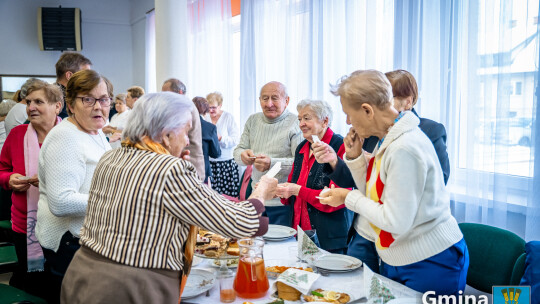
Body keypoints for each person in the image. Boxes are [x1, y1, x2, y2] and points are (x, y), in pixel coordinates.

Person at [61, 92, 276, 303]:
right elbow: (240, 222)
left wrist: (170, 159)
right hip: (132, 286)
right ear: (166, 135)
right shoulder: (169, 169)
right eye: (186, 133)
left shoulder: (110, 156)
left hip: (84, 273)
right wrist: (261, 190)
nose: (186, 142)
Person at [319, 70, 468, 295]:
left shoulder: (404, 147)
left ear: (367, 110)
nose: (348, 121)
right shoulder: (389, 137)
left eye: (348, 114)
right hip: (399, 255)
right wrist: (357, 159)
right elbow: (376, 196)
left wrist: (347, 197)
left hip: (430, 260)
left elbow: (395, 221)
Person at [35, 69, 112, 303]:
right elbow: (61, 201)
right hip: (69, 243)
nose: (98, 106)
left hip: (86, 238)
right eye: (88, 99)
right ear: (70, 103)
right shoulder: (66, 138)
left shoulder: (94, 131)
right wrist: (115, 201)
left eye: (104, 98)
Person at [0, 80, 63, 299]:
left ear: (58, 106)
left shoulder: (68, 137)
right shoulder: (17, 134)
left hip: (60, 227)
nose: (31, 107)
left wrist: (48, 182)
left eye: (39, 101)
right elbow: (2, 169)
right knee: (31, 282)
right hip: (23, 224)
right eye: (28, 102)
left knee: (57, 284)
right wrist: (9, 179)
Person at [276, 99, 353, 253]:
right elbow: (293, 185)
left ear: (325, 121)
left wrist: (297, 190)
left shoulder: (340, 146)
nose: (301, 124)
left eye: (307, 118)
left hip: (330, 239)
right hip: (300, 235)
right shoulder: (302, 147)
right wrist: (281, 191)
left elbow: (335, 200)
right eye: (299, 119)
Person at [362, 70, 450, 184]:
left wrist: (380, 166)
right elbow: (355, 180)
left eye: (385, 98)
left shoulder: (431, 130)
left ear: (408, 102)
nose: (377, 104)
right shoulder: (374, 129)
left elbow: (441, 179)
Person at [234, 81, 303, 226]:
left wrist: (271, 163)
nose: (269, 103)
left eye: (275, 98)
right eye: (265, 98)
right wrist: (243, 156)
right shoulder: (253, 120)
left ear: (287, 100)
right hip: (256, 196)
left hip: (282, 200)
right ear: (259, 100)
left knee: (280, 245)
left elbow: (300, 163)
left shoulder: (296, 123)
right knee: (254, 243)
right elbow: (238, 150)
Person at [162, 78, 205, 181]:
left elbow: (171, 135)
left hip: (190, 163)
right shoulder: (182, 106)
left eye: (167, 94)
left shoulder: (184, 107)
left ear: (180, 92)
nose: (164, 98)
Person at [205, 92, 241, 197]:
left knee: (228, 196)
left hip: (226, 163)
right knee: (212, 197)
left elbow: (235, 140)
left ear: (220, 106)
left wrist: (221, 138)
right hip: (210, 163)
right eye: (208, 107)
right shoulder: (204, 117)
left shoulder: (228, 117)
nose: (210, 110)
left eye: (213, 107)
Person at [54, 52, 93, 119]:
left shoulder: (51, 94)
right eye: (85, 74)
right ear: (70, 76)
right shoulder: (59, 99)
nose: (89, 79)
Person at [192, 96, 221, 184]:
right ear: (206, 111)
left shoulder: (183, 125)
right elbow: (216, 153)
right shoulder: (210, 128)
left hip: (184, 170)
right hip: (203, 170)